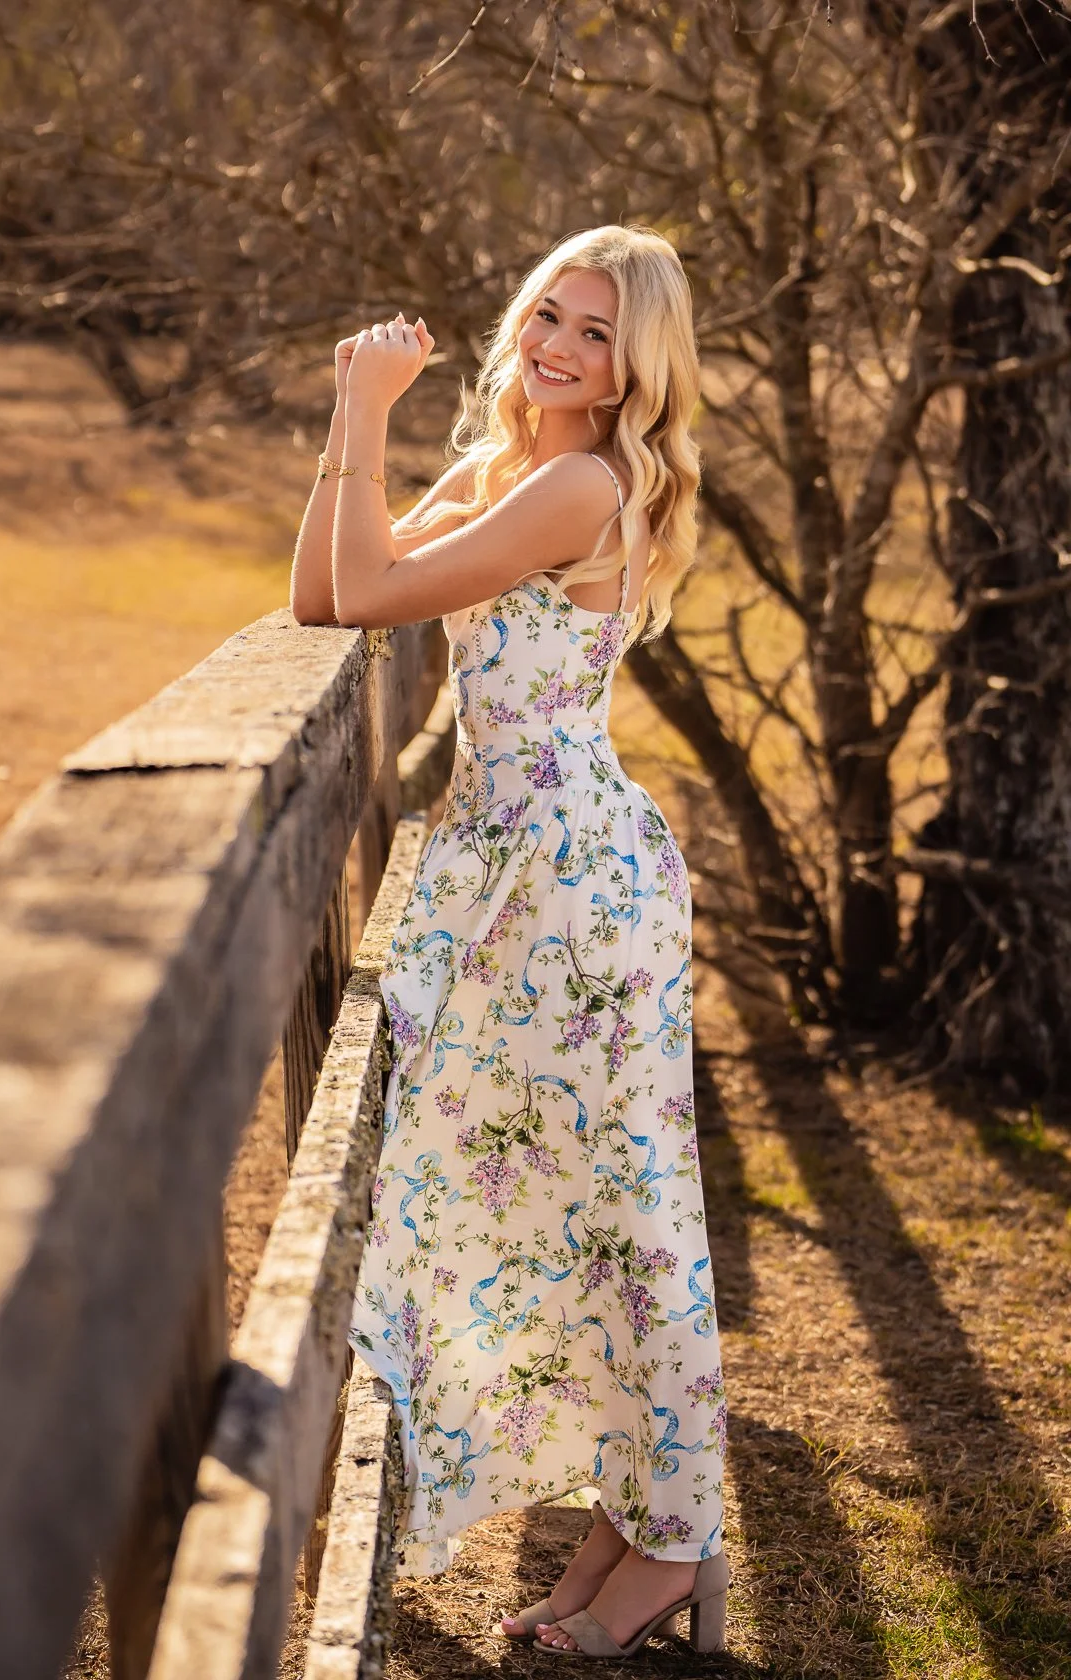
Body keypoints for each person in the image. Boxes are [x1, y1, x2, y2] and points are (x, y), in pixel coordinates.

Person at [290, 225, 729, 1660]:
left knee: (625, 1216)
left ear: (636, 363)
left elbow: (366, 590)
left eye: (597, 332)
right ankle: (629, 1526)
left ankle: (662, 1543)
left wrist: (361, 411)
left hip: (575, 890)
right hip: (515, 878)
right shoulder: (510, 464)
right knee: (564, 1210)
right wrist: (352, 437)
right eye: (550, 310)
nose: (559, 344)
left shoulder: (587, 485)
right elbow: (322, 590)